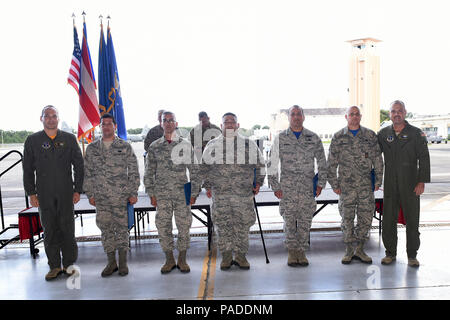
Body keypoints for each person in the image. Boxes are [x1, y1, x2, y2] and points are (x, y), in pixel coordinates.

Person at [22, 105, 84, 281]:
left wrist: (78, 189)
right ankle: (54, 266)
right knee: (49, 229)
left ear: (58, 118)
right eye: (47, 116)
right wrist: (31, 193)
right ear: (41, 118)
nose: (50, 119)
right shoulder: (32, 140)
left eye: (54, 116)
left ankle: (70, 264)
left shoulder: (69, 139)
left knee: (67, 228)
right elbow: (27, 169)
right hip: (44, 192)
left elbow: (79, 166)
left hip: (65, 191)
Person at [202, 112, 265, 270]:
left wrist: (258, 183)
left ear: (237, 125)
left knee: (242, 226)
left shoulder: (249, 145)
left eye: (232, 122)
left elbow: (260, 165)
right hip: (221, 195)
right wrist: (207, 185)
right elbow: (203, 168)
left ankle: (241, 256)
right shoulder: (212, 145)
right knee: (223, 226)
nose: (229, 124)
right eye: (226, 122)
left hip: (243, 194)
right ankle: (227, 257)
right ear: (221, 125)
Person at [267, 105, 327, 267]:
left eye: (298, 114)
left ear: (303, 117)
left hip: (308, 187)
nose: (296, 117)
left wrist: (321, 183)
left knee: (305, 220)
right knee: (289, 220)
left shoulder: (313, 137)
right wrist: (275, 186)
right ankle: (292, 251)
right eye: (292, 114)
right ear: (289, 118)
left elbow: (322, 162)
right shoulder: (280, 138)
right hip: (287, 188)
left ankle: (302, 251)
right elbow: (272, 163)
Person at [83, 113, 140, 277]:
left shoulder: (124, 146)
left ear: (115, 126)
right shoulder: (92, 148)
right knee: (105, 229)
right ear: (100, 127)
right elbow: (87, 173)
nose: (106, 126)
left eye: (109, 124)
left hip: (120, 196)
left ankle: (122, 263)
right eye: (103, 124)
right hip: (101, 197)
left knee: (122, 229)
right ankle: (111, 262)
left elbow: (134, 171)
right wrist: (90, 194)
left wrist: (133, 192)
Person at [144, 111, 200, 274]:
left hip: (182, 194)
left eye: (171, 120)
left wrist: (194, 192)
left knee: (184, 226)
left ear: (176, 123)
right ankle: (169, 259)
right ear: (161, 124)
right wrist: (151, 193)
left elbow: (194, 170)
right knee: (163, 227)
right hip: (162, 195)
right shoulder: (154, 147)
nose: (168, 123)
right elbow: (148, 172)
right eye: (165, 120)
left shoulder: (185, 145)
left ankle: (182, 259)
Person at [327, 106, 384, 264]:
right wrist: (334, 183)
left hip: (365, 185)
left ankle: (360, 249)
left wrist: (378, 181)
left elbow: (378, 160)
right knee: (347, 218)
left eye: (357, 114)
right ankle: (349, 250)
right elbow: (331, 163)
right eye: (351, 114)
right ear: (346, 117)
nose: (354, 116)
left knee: (365, 217)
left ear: (360, 116)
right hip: (346, 186)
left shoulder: (370, 135)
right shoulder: (338, 137)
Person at [377, 100, 430, 267]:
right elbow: (373, 154)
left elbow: (424, 158)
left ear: (405, 112)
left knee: (412, 220)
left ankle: (412, 255)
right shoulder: (383, 133)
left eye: (399, 111)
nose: (396, 114)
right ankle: (390, 253)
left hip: (411, 183)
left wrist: (421, 181)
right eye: (393, 111)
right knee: (388, 220)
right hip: (390, 184)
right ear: (390, 114)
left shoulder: (416, 134)